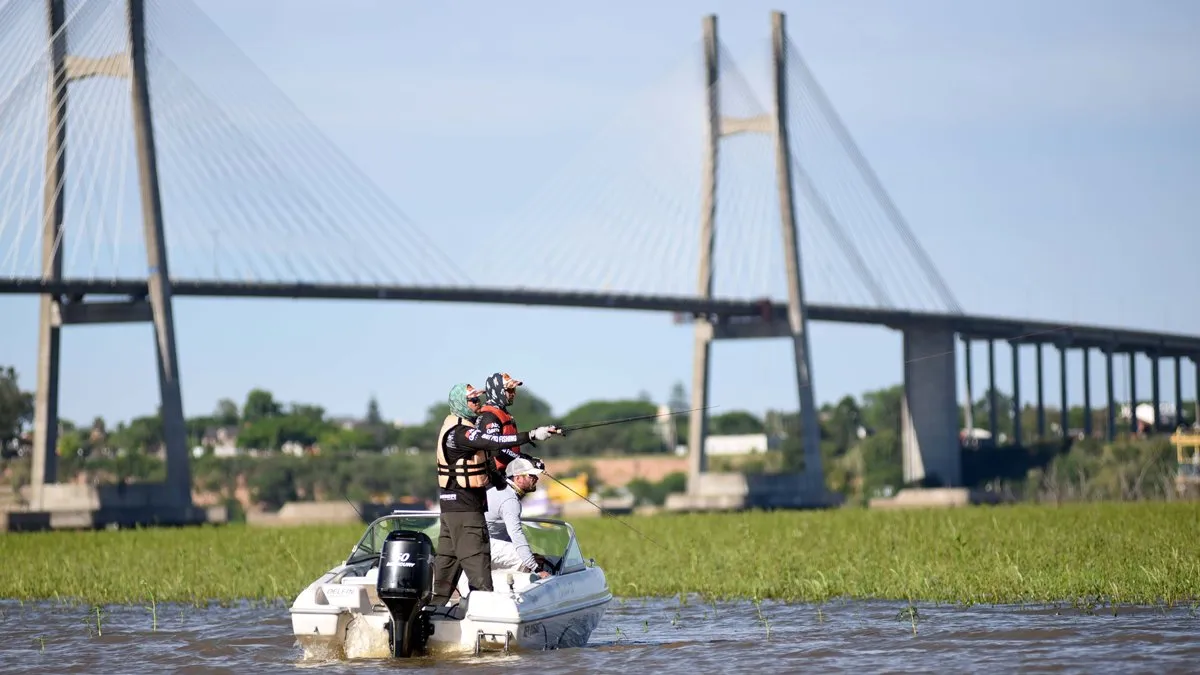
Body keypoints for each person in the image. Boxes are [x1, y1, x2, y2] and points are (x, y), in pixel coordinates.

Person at [431, 383, 561, 606]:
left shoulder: (460, 430)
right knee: (479, 561)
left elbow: (486, 459)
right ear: (461, 403)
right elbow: (495, 441)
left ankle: (433, 613)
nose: (478, 404)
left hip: (451, 508)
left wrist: (501, 479)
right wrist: (531, 435)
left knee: (447, 564)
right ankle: (485, 617)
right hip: (466, 509)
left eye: (478, 399)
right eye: (473, 400)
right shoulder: (461, 433)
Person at [484, 457, 552, 578]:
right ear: (518, 478)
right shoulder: (510, 500)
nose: (536, 479)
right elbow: (516, 534)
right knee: (524, 561)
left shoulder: (504, 491)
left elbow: (505, 535)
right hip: (482, 544)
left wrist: (530, 555)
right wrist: (535, 568)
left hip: (484, 543)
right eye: (531, 476)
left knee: (529, 556)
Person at [475, 372, 541, 479]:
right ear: (498, 391)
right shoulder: (489, 417)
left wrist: (527, 458)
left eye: (514, 390)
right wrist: (523, 461)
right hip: (495, 478)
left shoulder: (502, 412)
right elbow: (497, 449)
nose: (513, 394)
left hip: (505, 473)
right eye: (510, 390)